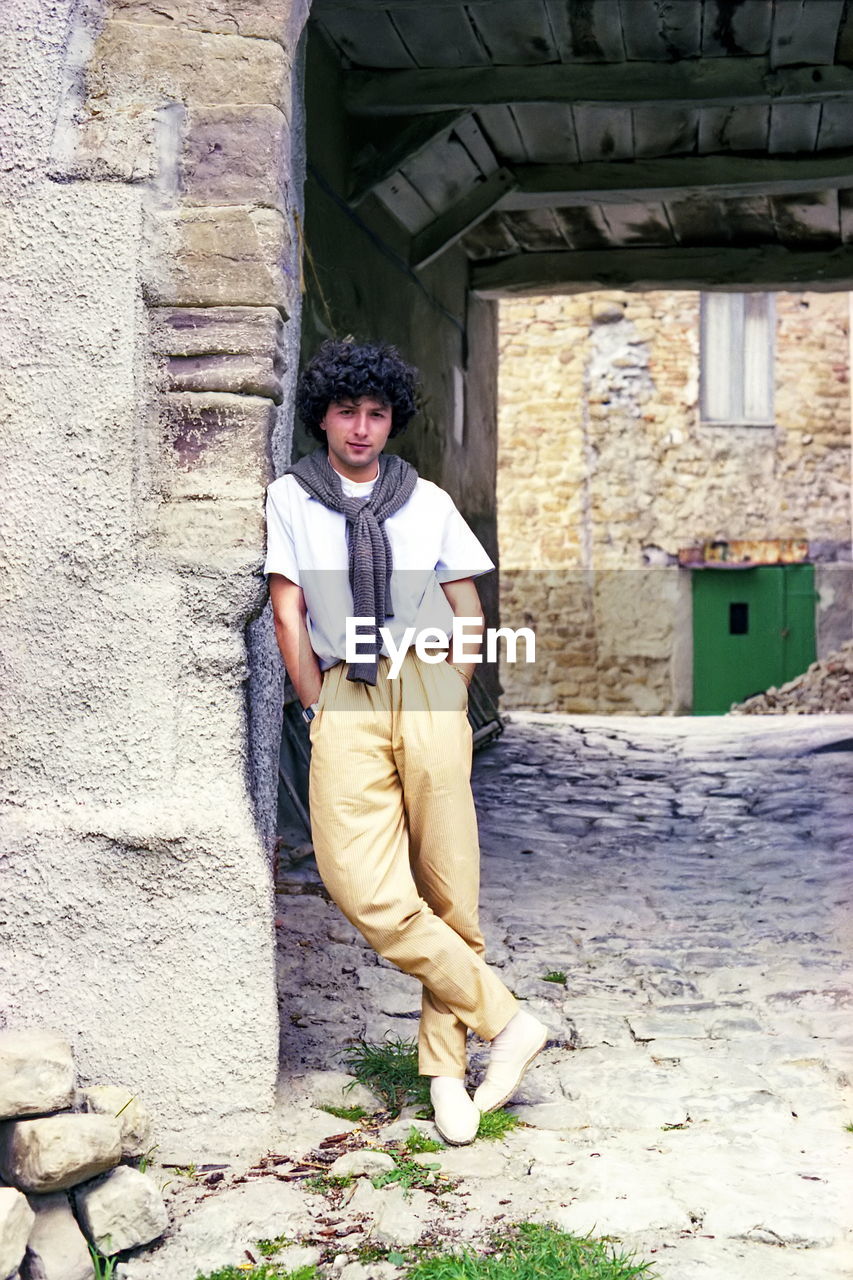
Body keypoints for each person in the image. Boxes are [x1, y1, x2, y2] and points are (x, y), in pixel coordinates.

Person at [264, 338, 547, 1145]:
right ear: (322, 415)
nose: (360, 428)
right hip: (344, 693)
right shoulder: (290, 498)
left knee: (449, 887)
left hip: (426, 689)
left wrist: (450, 693)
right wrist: (318, 706)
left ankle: (446, 1073)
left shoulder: (427, 503)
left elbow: (468, 609)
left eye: (376, 413)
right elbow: (288, 611)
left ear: (393, 420)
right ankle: (510, 1018)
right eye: (347, 412)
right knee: (361, 883)